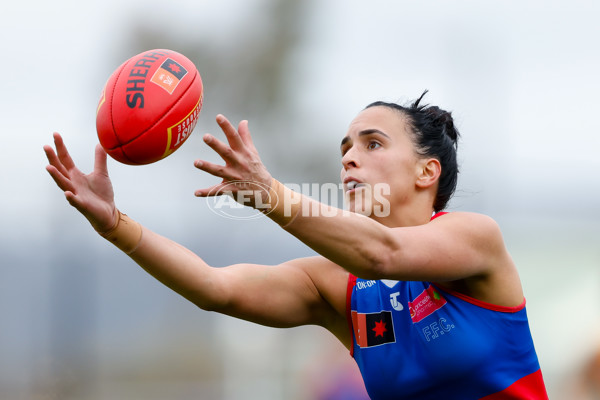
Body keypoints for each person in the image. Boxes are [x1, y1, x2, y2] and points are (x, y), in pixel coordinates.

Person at [44, 92, 548, 399]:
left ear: (427, 171)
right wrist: (115, 225)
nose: (350, 159)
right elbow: (215, 288)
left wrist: (271, 195)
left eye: (372, 144)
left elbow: (384, 252)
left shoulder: (474, 238)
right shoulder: (339, 286)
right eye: (345, 148)